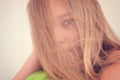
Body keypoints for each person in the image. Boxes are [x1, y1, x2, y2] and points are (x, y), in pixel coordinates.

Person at [13, 0, 120, 80]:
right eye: (47, 29)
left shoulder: (114, 66)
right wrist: (40, 52)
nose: (57, 39)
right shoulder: (51, 71)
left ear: (92, 21)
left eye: (68, 22)